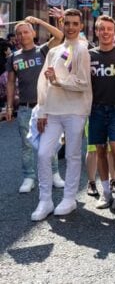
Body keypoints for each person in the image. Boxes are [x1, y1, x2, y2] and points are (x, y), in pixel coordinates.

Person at [31, 9, 92, 221]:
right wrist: (41, 110)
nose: (71, 27)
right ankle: (45, 199)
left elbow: (83, 83)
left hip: (75, 111)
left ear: (81, 26)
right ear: (62, 23)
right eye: (67, 23)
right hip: (53, 111)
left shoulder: (83, 50)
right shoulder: (54, 51)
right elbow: (43, 82)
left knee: (73, 155)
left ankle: (69, 198)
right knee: (43, 154)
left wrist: (59, 81)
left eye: (75, 23)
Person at [5, 17, 65, 194]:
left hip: (45, 106)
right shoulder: (13, 57)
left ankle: (54, 174)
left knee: (49, 143)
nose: (23, 35)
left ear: (33, 33)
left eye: (26, 31)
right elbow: (10, 83)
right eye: (19, 33)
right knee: (27, 145)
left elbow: (59, 35)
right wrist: (9, 107)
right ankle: (29, 177)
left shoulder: (43, 50)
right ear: (16, 37)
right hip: (25, 107)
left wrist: (38, 20)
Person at [88, 15, 115, 210]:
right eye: (101, 29)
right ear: (96, 32)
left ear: (114, 32)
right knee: (100, 150)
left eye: (109, 29)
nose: (105, 32)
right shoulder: (89, 55)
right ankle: (105, 192)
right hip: (95, 110)